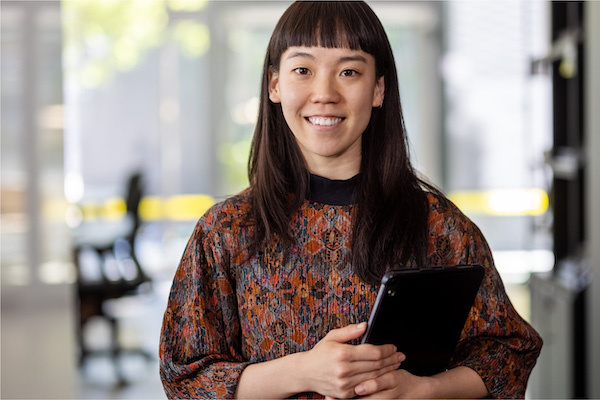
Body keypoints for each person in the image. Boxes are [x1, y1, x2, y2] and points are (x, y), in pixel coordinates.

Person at [159, 1, 542, 399]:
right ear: (275, 84)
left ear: (378, 89)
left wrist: (422, 391)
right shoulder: (226, 229)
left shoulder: (438, 224)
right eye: (303, 70)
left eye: (349, 72)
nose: (325, 93)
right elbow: (184, 378)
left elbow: (509, 352)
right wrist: (304, 372)